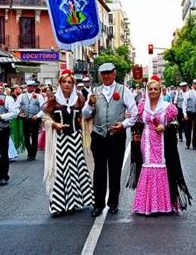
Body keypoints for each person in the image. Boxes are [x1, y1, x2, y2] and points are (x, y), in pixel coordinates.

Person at [129, 76, 192, 215]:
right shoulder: (141, 106)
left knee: (162, 167)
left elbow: (175, 124)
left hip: (162, 142)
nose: (152, 91)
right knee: (146, 166)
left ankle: (162, 204)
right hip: (146, 141)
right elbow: (137, 122)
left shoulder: (168, 108)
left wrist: (165, 126)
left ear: (160, 91)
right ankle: (146, 205)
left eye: (155, 89)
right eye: (150, 89)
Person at [82, 63, 138, 217]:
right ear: (100, 75)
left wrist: (124, 125)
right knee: (99, 171)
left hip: (116, 136)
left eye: (108, 73)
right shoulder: (94, 92)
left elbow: (134, 112)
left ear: (114, 73)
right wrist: (89, 104)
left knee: (114, 170)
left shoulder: (123, 90)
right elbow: (86, 115)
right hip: (98, 135)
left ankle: (113, 203)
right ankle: (98, 204)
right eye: (103, 74)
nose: (106, 76)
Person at [42, 70, 94, 216]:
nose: (67, 84)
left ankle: (75, 202)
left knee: (76, 169)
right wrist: (54, 124)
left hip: (76, 139)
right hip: (60, 140)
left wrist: (90, 104)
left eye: (69, 82)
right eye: (64, 82)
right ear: (60, 83)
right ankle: (58, 205)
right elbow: (44, 118)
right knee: (61, 170)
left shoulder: (79, 100)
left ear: (73, 84)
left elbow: (86, 116)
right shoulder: (53, 101)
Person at [18, 80, 45, 161]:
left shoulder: (39, 96)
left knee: (34, 137)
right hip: (25, 119)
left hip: (34, 119)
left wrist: (37, 116)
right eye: (28, 86)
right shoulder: (21, 96)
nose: (30, 87)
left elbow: (43, 108)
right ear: (26, 87)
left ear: (34, 87)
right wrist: (19, 113)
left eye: (31, 86)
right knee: (26, 137)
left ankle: (33, 154)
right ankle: (29, 151)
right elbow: (16, 107)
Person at [182, 79, 196, 150]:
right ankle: (188, 143)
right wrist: (184, 114)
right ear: (193, 84)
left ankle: (194, 144)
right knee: (188, 129)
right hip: (189, 112)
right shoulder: (188, 93)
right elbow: (184, 104)